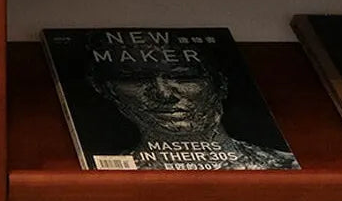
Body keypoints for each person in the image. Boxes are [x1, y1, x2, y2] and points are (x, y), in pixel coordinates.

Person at [85, 30, 296, 170]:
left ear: (219, 83)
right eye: (134, 79)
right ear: (105, 89)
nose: (164, 94)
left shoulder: (285, 165)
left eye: (184, 76)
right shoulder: (101, 170)